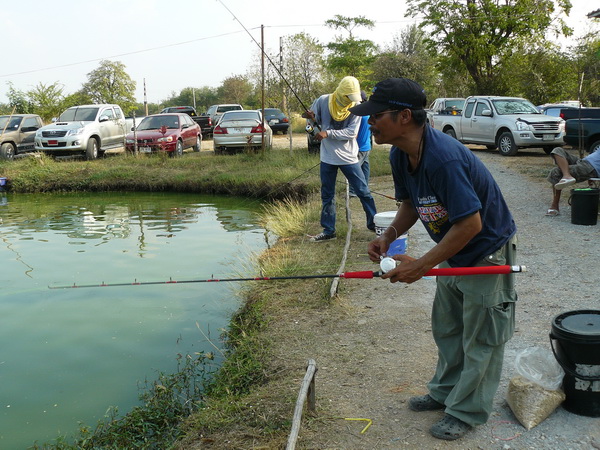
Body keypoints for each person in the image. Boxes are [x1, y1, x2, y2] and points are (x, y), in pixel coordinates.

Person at [349, 78, 518, 441]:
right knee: (448, 328)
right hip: (454, 252)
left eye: (376, 116)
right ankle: (444, 392)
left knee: (482, 336)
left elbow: (471, 223)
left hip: (486, 252)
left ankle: (466, 411)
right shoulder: (399, 153)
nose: (370, 123)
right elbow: (410, 202)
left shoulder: (444, 158)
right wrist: (389, 235)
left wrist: (423, 264)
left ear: (404, 116)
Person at [303, 76, 377, 241]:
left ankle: (374, 224)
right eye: (348, 97)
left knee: (363, 191)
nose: (350, 101)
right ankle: (329, 231)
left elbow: (351, 133)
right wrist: (312, 120)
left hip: (349, 158)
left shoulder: (357, 107)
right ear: (341, 93)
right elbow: (309, 126)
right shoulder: (322, 101)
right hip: (327, 157)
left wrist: (328, 133)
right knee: (327, 195)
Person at [545, 147, 600, 216]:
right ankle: (566, 175)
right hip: (583, 161)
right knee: (557, 150)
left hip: (590, 168)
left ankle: (554, 206)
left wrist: (594, 175)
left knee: (556, 172)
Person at [349, 91, 372, 197]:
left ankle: (353, 191)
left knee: (355, 169)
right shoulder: (368, 112)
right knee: (365, 168)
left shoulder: (359, 114)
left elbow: (355, 133)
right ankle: (365, 188)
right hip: (367, 146)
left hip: (359, 147)